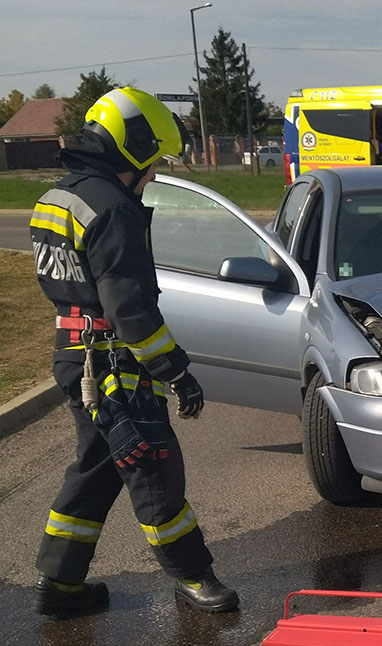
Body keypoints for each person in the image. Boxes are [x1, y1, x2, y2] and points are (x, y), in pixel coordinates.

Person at [28, 87, 238, 618]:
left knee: (97, 465)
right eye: (153, 163)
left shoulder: (58, 198)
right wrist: (177, 371)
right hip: (115, 365)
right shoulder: (114, 211)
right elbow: (132, 313)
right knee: (153, 466)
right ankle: (194, 575)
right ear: (133, 151)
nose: (153, 175)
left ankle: (60, 583)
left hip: (73, 355)